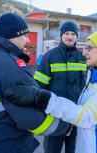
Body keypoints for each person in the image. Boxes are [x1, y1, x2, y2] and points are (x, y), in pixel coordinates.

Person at [5, 31, 97, 153]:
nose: (84, 53)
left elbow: (86, 116)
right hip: (86, 146)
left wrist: (43, 99)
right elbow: (81, 107)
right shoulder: (95, 77)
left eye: (89, 48)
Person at [0, 13, 71, 153]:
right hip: (3, 145)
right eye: (25, 35)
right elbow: (32, 119)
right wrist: (64, 127)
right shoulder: (9, 66)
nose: (28, 40)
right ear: (14, 35)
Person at [33, 20, 86, 153]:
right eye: (67, 33)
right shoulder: (49, 56)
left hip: (76, 116)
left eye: (73, 34)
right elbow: (38, 86)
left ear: (76, 37)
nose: (70, 37)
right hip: (55, 115)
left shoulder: (83, 57)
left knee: (73, 149)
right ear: (61, 35)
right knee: (52, 149)